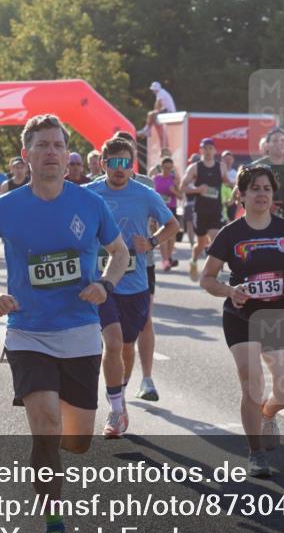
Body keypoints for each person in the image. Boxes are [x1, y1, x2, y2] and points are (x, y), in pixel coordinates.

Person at [0, 114, 129, 533]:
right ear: (26, 156)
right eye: (43, 145)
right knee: (46, 426)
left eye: (58, 145)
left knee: (75, 441)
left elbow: (120, 254)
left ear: (68, 156)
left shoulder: (90, 205)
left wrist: (106, 286)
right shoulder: (4, 206)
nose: (52, 152)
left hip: (79, 335)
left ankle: (47, 458)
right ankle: (52, 528)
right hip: (28, 333)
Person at [201, 164, 284, 477]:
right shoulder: (230, 234)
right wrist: (229, 290)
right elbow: (207, 279)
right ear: (241, 195)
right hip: (241, 315)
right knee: (252, 383)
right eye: (255, 188)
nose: (261, 194)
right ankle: (256, 452)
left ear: (273, 195)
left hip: (277, 314)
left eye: (266, 189)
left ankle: (268, 413)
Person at [85, 137, 179, 437]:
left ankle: (120, 395)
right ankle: (114, 410)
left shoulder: (145, 194)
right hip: (101, 282)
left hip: (136, 283)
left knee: (126, 346)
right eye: (114, 163)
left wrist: (151, 242)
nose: (120, 169)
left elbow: (173, 225)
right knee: (111, 343)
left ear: (133, 166)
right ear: (104, 163)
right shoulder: (89, 193)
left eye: (126, 163)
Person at [180, 138, 228, 281]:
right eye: (205, 148)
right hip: (200, 211)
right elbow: (183, 187)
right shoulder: (195, 167)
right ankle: (194, 261)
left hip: (216, 210)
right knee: (201, 244)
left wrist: (238, 185)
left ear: (215, 150)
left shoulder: (221, 166)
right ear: (201, 150)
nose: (208, 151)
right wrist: (197, 189)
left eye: (210, 148)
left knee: (215, 239)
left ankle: (212, 271)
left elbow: (227, 182)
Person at [252, 128, 284, 220]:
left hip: (283, 218)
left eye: (283, 140)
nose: (280, 143)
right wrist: (265, 204)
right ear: (267, 146)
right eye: (275, 140)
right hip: (259, 218)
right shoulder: (256, 166)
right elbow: (244, 193)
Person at [153, 156, 181, 270]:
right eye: (165, 167)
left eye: (170, 168)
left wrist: (174, 190)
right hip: (159, 209)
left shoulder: (174, 179)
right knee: (162, 235)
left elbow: (181, 195)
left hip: (171, 208)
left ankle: (168, 257)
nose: (167, 170)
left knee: (172, 235)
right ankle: (165, 260)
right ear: (161, 167)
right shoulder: (155, 179)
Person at [138, 81, 177, 146]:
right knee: (152, 114)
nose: (152, 91)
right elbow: (160, 106)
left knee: (150, 114)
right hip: (167, 110)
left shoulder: (160, 93)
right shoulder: (162, 92)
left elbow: (157, 105)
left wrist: (154, 113)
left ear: (155, 89)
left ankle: (146, 130)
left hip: (169, 112)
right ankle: (147, 130)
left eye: (153, 89)